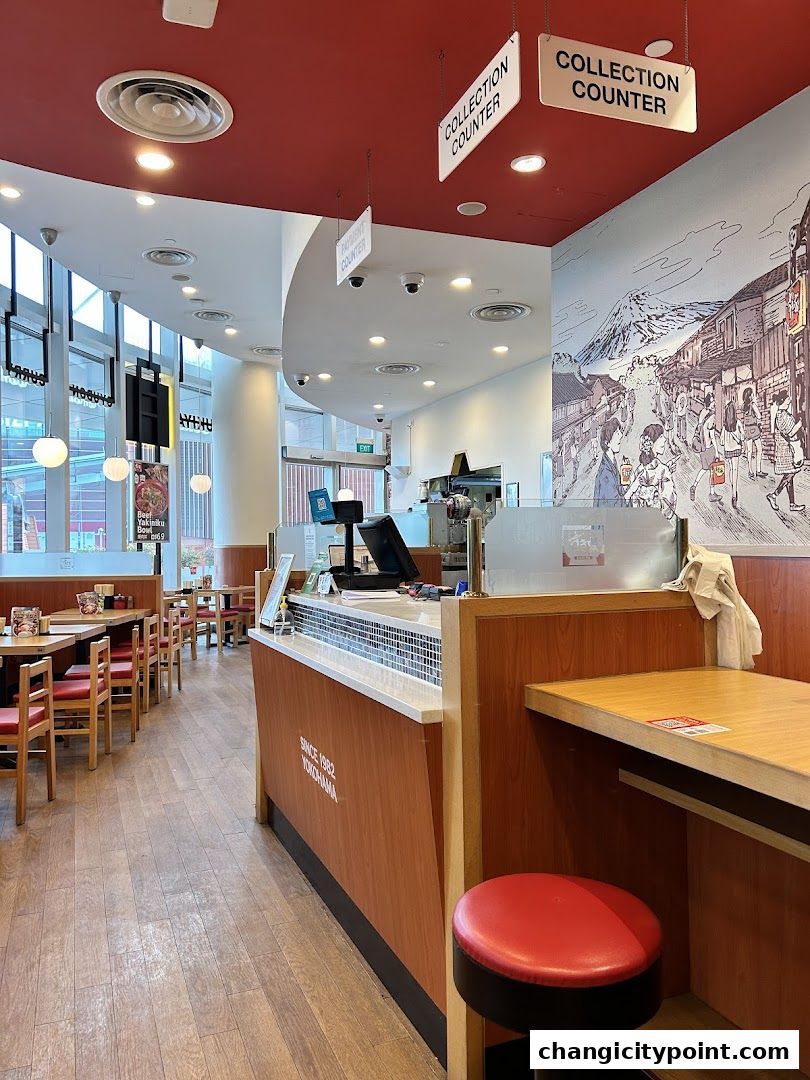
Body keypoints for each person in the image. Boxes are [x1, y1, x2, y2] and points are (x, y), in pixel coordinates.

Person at [625, 423, 677, 519]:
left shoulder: (640, 468)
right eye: (661, 436)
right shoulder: (662, 470)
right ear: (652, 443)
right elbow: (669, 505)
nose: (664, 440)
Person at [767, 389, 805, 513]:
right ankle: (774, 495)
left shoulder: (783, 413)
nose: (789, 400)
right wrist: (799, 424)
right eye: (788, 399)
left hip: (787, 448)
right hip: (786, 449)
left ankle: (792, 503)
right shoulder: (781, 415)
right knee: (789, 474)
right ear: (783, 401)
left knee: (790, 475)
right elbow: (789, 433)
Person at [690, 391, 722, 504]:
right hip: (709, 448)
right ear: (710, 403)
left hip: (702, 448)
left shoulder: (702, 412)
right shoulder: (712, 417)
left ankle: (694, 485)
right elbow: (712, 436)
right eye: (713, 402)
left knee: (704, 469)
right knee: (713, 470)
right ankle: (712, 493)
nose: (714, 404)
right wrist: (717, 452)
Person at [593, 416, 627, 507]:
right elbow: (616, 505)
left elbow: (618, 489)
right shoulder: (605, 472)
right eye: (616, 432)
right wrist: (633, 488)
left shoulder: (611, 462)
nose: (620, 435)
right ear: (607, 443)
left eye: (620, 431)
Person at [721, 399, 745, 510]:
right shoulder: (738, 423)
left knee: (731, 469)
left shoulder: (725, 425)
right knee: (735, 470)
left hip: (728, 450)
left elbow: (721, 441)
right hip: (736, 449)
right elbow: (743, 437)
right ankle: (734, 493)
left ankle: (733, 488)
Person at [741, 386, 766, 479]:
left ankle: (750, 471)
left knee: (749, 451)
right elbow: (759, 416)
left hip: (747, 429)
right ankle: (758, 470)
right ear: (751, 395)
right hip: (754, 429)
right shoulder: (753, 405)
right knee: (759, 449)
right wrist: (757, 419)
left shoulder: (744, 406)